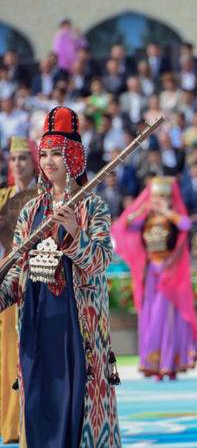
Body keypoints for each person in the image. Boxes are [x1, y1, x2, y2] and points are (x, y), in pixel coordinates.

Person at [0, 106, 121, 447]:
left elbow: (100, 260)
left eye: (57, 153)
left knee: (75, 406)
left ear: (73, 157)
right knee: (39, 403)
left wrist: (73, 231)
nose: (49, 161)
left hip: (74, 322)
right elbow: (17, 271)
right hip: (36, 320)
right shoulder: (30, 211)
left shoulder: (92, 206)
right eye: (45, 154)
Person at [112, 176, 197, 380]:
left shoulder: (172, 217)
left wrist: (166, 211)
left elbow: (187, 225)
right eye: (154, 196)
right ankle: (152, 363)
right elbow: (121, 228)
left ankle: (169, 363)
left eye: (162, 196)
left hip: (169, 273)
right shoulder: (145, 219)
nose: (157, 200)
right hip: (150, 274)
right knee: (151, 317)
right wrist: (138, 211)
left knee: (166, 318)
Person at [0, 137, 37, 444]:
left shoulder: (46, 196)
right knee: (7, 352)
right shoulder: (2, 199)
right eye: (13, 159)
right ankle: (9, 425)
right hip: (8, 281)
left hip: (39, 278)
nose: (18, 164)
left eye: (23, 158)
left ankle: (30, 422)